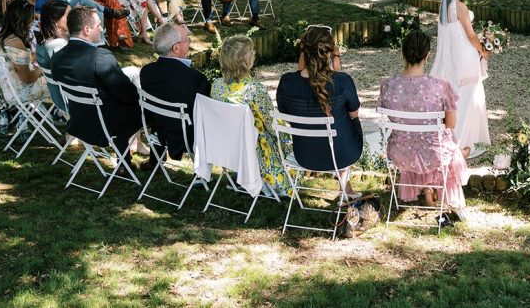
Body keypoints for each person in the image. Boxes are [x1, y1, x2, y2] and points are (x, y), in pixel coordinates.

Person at [379, 30, 468, 216]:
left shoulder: (388, 85)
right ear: (427, 56)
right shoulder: (440, 85)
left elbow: (390, 118)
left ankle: (428, 189)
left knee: (422, 138)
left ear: (403, 54)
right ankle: (438, 184)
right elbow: (451, 123)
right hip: (434, 153)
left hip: (401, 153)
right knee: (443, 138)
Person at [276, 26, 363, 198]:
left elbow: (286, 115)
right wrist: (335, 70)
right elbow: (354, 115)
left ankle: (346, 188)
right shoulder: (342, 81)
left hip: (305, 155)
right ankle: (345, 188)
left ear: (303, 53)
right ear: (330, 53)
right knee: (347, 120)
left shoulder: (287, 82)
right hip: (342, 155)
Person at [49, 6, 143, 157]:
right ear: (86, 30)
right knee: (148, 109)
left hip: (78, 122)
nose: (101, 29)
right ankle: (141, 159)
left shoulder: (57, 58)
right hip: (104, 126)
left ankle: (125, 161)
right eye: (98, 25)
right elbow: (128, 93)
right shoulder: (100, 57)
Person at [211, 35, 289, 193]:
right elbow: (272, 125)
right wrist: (290, 135)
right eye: (251, 51)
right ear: (244, 59)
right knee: (286, 140)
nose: (254, 54)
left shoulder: (216, 85)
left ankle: (240, 176)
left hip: (226, 146)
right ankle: (262, 178)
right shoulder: (254, 89)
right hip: (253, 149)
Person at [430, 0, 491, 156]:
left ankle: (450, 137)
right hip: (466, 55)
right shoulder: (461, 7)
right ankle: (463, 140)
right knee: (469, 95)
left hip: (454, 54)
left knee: (458, 94)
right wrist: (483, 50)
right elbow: (470, 35)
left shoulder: (446, 8)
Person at [139, 23, 211, 160]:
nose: (189, 42)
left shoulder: (147, 72)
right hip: (187, 138)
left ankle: (155, 160)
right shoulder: (195, 79)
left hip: (159, 131)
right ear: (176, 48)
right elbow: (204, 116)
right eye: (187, 39)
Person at [0, 0, 52, 107]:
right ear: (24, 21)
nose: (32, 21)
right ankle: (64, 112)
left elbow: (24, 60)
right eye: (31, 18)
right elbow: (27, 78)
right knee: (61, 82)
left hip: (10, 90)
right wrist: (42, 69)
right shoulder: (15, 43)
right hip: (21, 92)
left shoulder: (2, 37)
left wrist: (44, 53)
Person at [35, 0, 71, 114]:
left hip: (58, 98)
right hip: (72, 100)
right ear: (56, 22)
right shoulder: (58, 45)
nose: (73, 18)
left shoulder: (42, 41)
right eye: (69, 15)